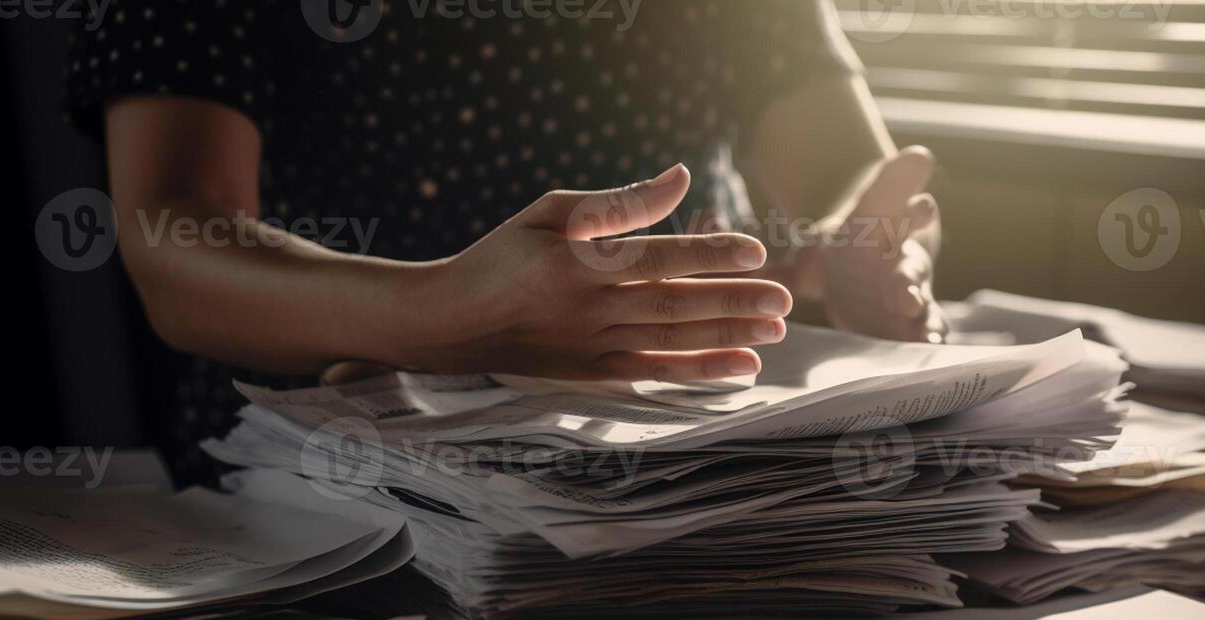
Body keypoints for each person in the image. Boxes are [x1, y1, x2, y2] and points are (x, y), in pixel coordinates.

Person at [69, 0, 944, 469]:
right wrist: (439, 315)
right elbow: (173, 237)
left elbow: (839, 169)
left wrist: (847, 244)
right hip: (321, 469)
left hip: (680, 454)